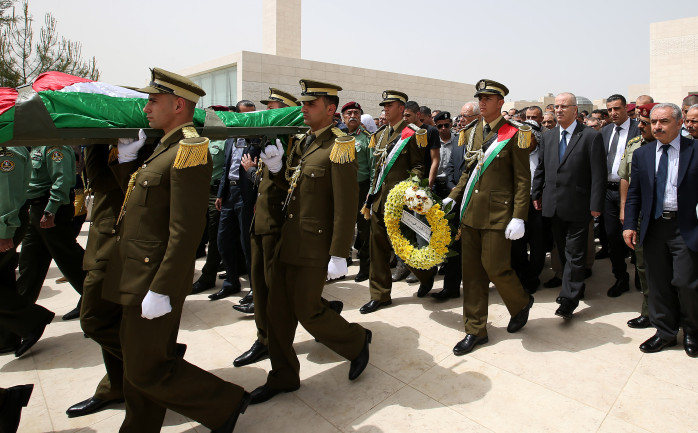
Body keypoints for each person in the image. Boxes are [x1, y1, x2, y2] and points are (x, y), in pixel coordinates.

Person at [101, 67, 249, 432]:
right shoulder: (164, 147)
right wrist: (127, 162)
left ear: (178, 104)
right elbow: (142, 203)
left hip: (154, 275)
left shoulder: (189, 149)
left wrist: (163, 287)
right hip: (137, 269)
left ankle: (225, 401)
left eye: (153, 100)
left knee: (144, 366)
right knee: (142, 361)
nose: (146, 107)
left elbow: (185, 230)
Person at [248, 79, 371, 404]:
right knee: (277, 314)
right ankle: (283, 376)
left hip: (316, 246)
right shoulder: (304, 145)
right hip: (289, 241)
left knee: (308, 310)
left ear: (330, 110)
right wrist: (275, 169)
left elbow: (346, 204)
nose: (302, 109)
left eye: (310, 104)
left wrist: (339, 253)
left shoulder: (340, 146)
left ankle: (356, 341)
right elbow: (289, 188)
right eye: (302, 104)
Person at [444, 79, 534, 355]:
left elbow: (522, 179)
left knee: (496, 268)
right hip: (471, 212)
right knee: (471, 275)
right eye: (479, 98)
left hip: (498, 213)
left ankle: (520, 303)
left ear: (500, 103)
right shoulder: (472, 132)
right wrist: (454, 196)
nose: (482, 102)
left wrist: (519, 216)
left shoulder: (516, 133)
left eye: (488, 98)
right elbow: (467, 172)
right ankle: (475, 330)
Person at [232, 88, 301, 367]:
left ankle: (275, 340)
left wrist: (277, 168)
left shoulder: (296, 143)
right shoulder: (265, 141)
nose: (267, 114)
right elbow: (261, 185)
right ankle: (263, 338)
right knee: (259, 289)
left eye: (273, 109)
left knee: (277, 293)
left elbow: (297, 189)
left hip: (279, 227)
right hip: (259, 224)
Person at [623, 103, 698, 358]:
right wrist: (630, 225)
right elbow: (634, 193)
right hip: (653, 227)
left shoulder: (694, 150)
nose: (656, 127)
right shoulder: (643, 154)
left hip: (686, 228)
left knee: (687, 282)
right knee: (657, 283)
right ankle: (665, 332)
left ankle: (692, 331)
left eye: (664, 121)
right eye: (653, 122)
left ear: (680, 123)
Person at [532, 93, 606, 319]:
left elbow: (598, 174)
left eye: (565, 106)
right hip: (553, 205)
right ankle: (575, 284)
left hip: (579, 205)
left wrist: (595, 204)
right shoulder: (549, 136)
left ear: (576, 110)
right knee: (563, 251)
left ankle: (568, 299)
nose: (560, 110)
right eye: (557, 106)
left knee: (575, 253)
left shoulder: (590, 136)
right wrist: (536, 192)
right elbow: (542, 167)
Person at [360, 90, 425, 314]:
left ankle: (426, 276)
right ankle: (380, 295)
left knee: (406, 248)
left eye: (391, 105)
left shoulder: (413, 134)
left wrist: (408, 187)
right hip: (378, 201)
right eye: (384, 105)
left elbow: (418, 167)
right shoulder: (379, 135)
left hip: (401, 203)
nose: (386, 109)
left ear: (401, 108)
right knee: (378, 250)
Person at [16, 144, 85, 320]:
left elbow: (62, 180)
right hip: (36, 208)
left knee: (69, 259)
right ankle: (20, 321)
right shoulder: (35, 146)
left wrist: (50, 211)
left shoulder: (55, 146)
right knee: (29, 264)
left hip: (51, 208)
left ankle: (99, 302)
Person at [0, 146, 55, 358]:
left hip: (6, 223)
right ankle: (7, 337)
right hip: (6, 222)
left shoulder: (7, 151)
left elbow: (7, 193)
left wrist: (4, 230)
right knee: (3, 279)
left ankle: (32, 319)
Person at [209, 100, 260, 301]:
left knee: (247, 243)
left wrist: (258, 198)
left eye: (252, 114)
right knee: (223, 240)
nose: (248, 118)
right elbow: (225, 169)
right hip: (229, 195)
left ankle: (255, 288)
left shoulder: (258, 139)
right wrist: (221, 194)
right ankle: (231, 283)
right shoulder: (230, 138)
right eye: (244, 115)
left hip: (247, 195)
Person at [619, 102, 658, 329]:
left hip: (669, 216)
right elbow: (625, 177)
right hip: (642, 214)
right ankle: (649, 311)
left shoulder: (687, 147)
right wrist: (625, 209)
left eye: (646, 123)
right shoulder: (634, 145)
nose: (641, 127)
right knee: (643, 266)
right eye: (641, 122)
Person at [601, 94, 640, 298]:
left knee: (633, 235)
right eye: (609, 110)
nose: (613, 113)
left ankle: (640, 276)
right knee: (612, 236)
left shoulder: (638, 129)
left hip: (633, 191)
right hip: (608, 192)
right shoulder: (605, 131)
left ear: (626, 108)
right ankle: (620, 277)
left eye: (617, 108)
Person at [191, 105, 231, 295]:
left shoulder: (225, 140)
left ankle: (208, 276)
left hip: (216, 193)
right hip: (199, 191)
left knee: (215, 237)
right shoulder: (200, 139)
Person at [511, 119, 547, 293]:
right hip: (517, 204)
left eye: (529, 136)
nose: (525, 140)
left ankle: (533, 277)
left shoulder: (544, 155)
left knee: (537, 244)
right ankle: (521, 275)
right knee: (517, 244)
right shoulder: (515, 154)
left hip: (537, 205)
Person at [342, 101, 373, 282]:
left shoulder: (367, 138)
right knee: (342, 228)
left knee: (364, 230)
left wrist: (370, 192)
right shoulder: (339, 136)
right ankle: (341, 262)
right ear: (342, 116)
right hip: (343, 188)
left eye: (356, 112)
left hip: (361, 188)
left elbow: (373, 168)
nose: (352, 115)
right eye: (349, 113)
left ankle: (365, 268)